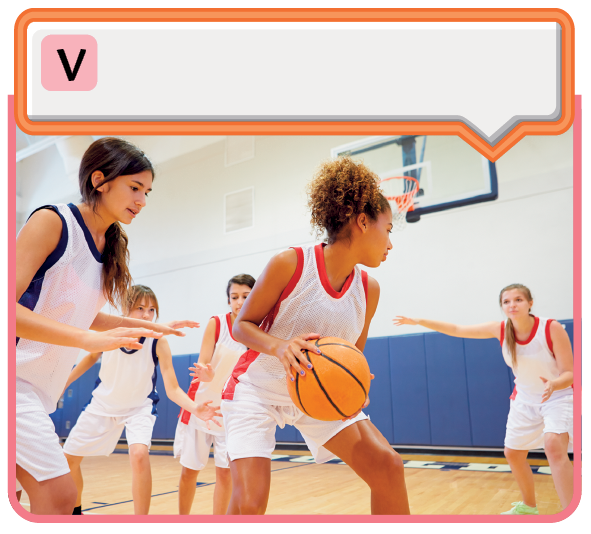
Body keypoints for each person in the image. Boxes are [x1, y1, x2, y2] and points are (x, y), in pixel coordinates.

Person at [16, 138, 199, 515]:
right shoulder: (53, 222)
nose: (143, 201)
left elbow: (79, 311)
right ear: (100, 180)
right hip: (12, 380)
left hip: (35, 389)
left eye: (147, 192)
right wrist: (87, 339)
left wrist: (149, 327)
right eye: (135, 188)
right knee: (61, 496)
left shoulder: (108, 246)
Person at [221, 157, 410, 515]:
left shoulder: (369, 290)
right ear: (363, 222)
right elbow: (241, 326)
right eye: (388, 229)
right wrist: (280, 346)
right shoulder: (290, 264)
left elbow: (352, 353)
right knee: (249, 503)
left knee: (388, 467)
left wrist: (354, 382)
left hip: (314, 391)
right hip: (258, 390)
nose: (389, 243)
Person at [394, 283, 573, 514]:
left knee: (554, 448)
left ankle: (570, 513)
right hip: (525, 400)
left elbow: (569, 373)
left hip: (558, 396)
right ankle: (529, 507)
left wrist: (554, 384)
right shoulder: (500, 329)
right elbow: (457, 328)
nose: (512, 305)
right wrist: (420, 321)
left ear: (530, 303)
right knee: (513, 453)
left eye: (518, 300)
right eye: (506, 301)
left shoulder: (551, 328)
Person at [62, 285, 221, 515]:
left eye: (151, 310)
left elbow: (173, 389)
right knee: (68, 460)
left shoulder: (159, 342)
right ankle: (76, 513)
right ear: (126, 309)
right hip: (103, 404)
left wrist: (196, 408)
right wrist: (65, 383)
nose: (146, 315)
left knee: (139, 454)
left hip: (139, 408)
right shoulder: (112, 332)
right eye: (140, 308)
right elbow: (89, 358)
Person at [174, 274, 255, 515]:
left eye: (245, 297)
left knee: (225, 474)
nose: (239, 302)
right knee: (189, 471)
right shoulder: (216, 323)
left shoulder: (257, 330)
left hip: (230, 412)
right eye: (234, 297)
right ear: (228, 300)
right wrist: (206, 374)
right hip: (202, 406)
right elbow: (202, 365)